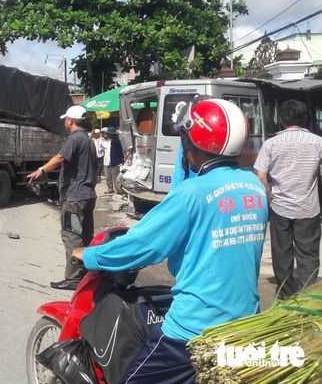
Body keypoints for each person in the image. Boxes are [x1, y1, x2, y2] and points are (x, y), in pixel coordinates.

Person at [72, 99, 268, 383]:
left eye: (185, 140)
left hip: (194, 329)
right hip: (246, 321)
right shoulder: (255, 188)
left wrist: (89, 255)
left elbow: (143, 245)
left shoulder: (192, 194)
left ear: (192, 143)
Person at [254, 99, 322, 300]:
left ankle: (286, 295)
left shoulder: (271, 144)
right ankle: (307, 297)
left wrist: (269, 199)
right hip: (309, 208)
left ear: (281, 120)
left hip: (280, 208)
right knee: (308, 255)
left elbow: (260, 175)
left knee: (282, 255)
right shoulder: (318, 142)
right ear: (306, 119)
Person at [27, 105, 97, 290]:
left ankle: (74, 279)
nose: (65, 121)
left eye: (66, 119)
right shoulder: (89, 141)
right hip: (88, 196)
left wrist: (41, 170)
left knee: (72, 236)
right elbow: (95, 170)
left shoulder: (75, 138)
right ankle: (88, 274)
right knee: (85, 236)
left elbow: (60, 158)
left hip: (74, 198)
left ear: (71, 121)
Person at [106, 127, 123, 195]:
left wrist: (121, 158)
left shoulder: (115, 140)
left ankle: (117, 192)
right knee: (115, 178)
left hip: (116, 162)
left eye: (108, 134)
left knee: (115, 178)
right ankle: (117, 191)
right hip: (114, 161)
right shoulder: (115, 140)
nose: (107, 135)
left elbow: (119, 151)